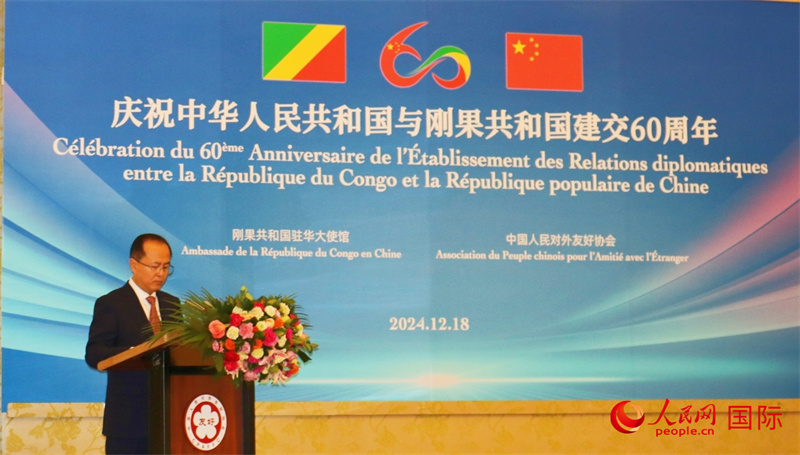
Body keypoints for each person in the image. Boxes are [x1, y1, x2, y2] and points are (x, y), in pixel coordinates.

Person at [85, 233, 179, 455]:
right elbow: (94, 353)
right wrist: (133, 353)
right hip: (127, 424)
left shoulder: (172, 304)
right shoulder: (111, 303)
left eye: (166, 267)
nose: (161, 273)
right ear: (134, 264)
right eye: (154, 266)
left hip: (169, 420)